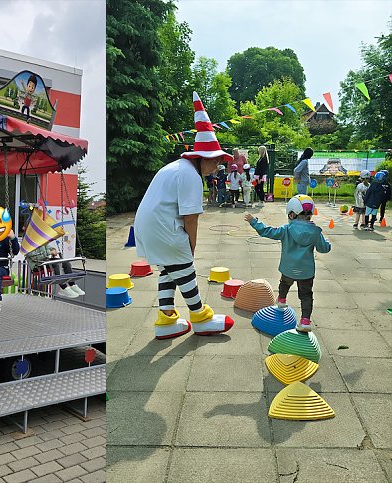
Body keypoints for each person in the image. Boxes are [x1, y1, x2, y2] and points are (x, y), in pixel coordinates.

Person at [133, 92, 234, 340]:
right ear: (203, 158)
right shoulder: (190, 175)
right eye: (216, 162)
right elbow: (191, 218)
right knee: (184, 266)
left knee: (169, 270)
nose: (217, 167)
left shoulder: (177, 167)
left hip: (148, 226)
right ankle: (200, 317)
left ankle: (166, 319)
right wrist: (191, 248)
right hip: (162, 227)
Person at [245, 195, 331, 332]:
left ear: (291, 214)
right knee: (306, 295)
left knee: (284, 283)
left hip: (288, 268)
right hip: (306, 272)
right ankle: (305, 321)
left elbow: (268, 232)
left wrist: (254, 222)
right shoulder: (315, 232)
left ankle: (282, 300)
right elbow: (324, 249)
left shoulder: (286, 229)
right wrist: (327, 242)